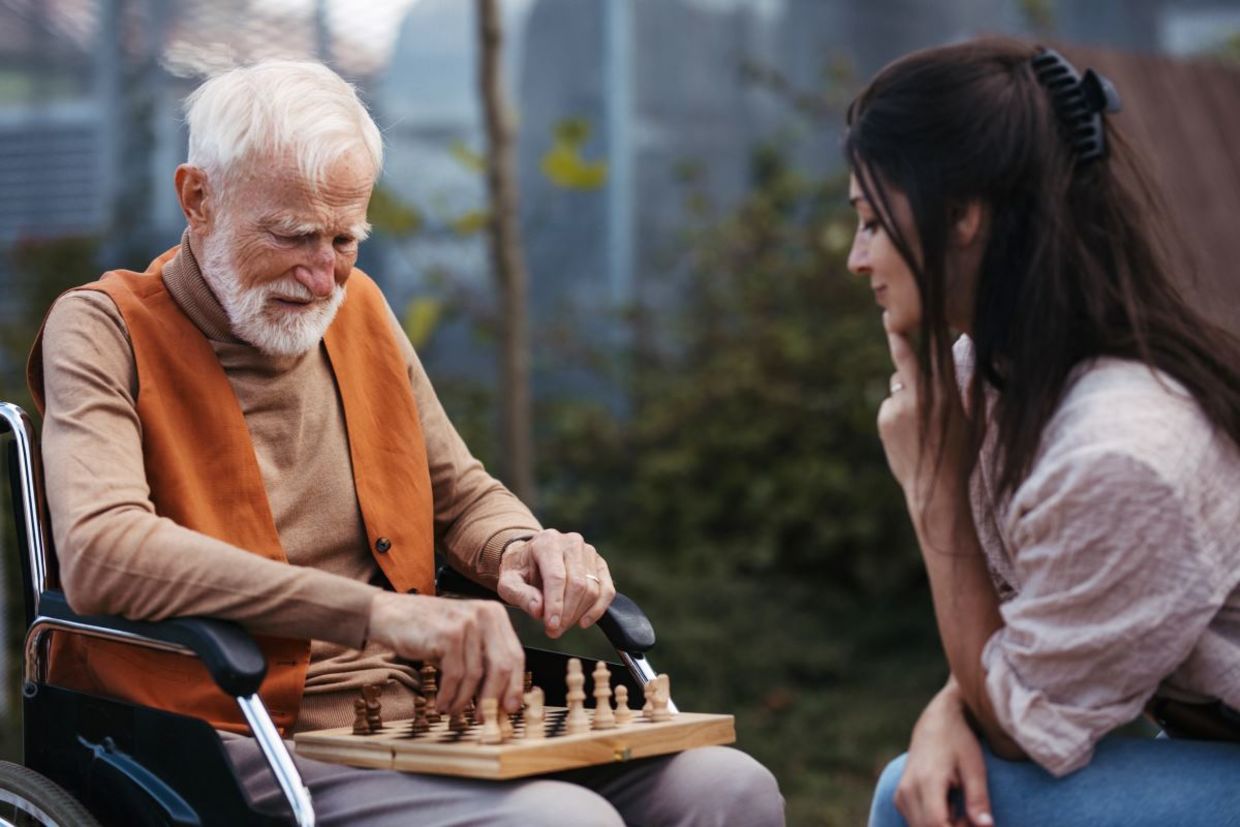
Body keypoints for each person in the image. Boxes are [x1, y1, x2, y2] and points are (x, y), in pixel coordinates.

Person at [31, 60, 783, 827]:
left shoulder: (358, 308)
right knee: (558, 821)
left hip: (415, 712)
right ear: (198, 197)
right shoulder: (103, 328)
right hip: (235, 731)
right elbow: (100, 550)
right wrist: (375, 615)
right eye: (293, 236)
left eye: (345, 238)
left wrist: (521, 548)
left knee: (730, 786)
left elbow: (459, 494)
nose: (324, 278)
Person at [842, 38, 1240, 827]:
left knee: (918, 797)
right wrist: (945, 712)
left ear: (962, 215)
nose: (857, 260)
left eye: (870, 221)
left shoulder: (1122, 445)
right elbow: (1029, 653)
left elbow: (1024, 723)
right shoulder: (1003, 380)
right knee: (920, 780)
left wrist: (936, 493)